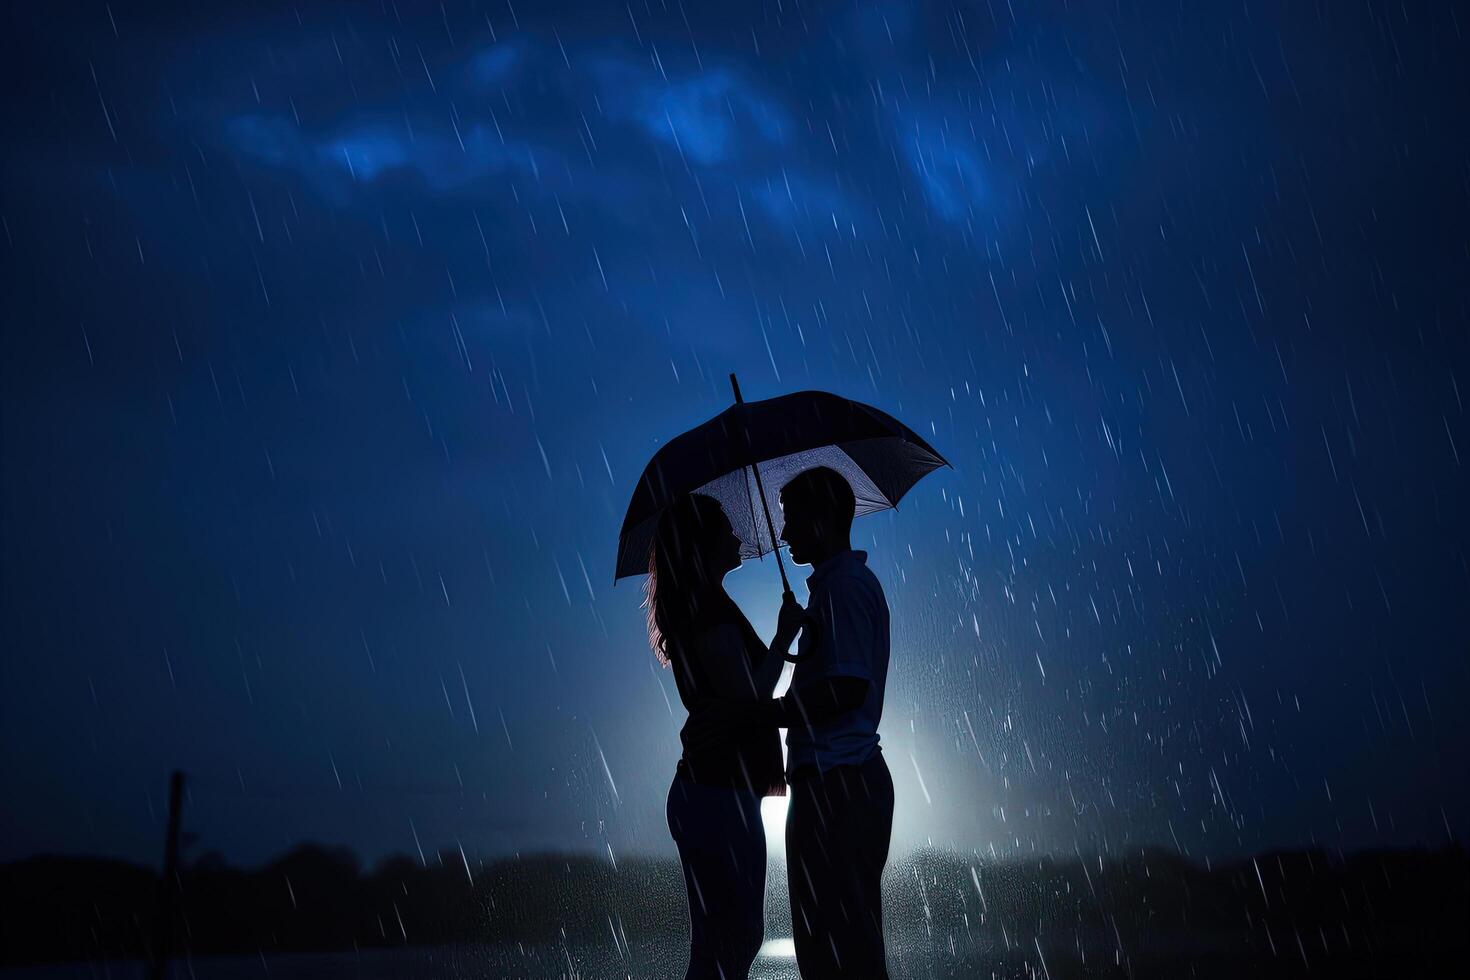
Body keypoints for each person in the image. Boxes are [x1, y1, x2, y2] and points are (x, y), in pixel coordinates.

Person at [685, 466, 895, 979]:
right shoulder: (833, 591)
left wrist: (757, 713)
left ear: (821, 522)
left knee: (837, 946)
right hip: (830, 784)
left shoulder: (844, 590)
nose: (783, 534)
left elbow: (844, 691)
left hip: (839, 785)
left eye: (791, 520)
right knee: (828, 942)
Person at [643, 492, 810, 980]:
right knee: (732, 938)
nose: (737, 536)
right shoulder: (709, 609)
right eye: (727, 529)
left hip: (716, 791)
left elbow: (740, 697)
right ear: (703, 544)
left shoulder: (705, 604)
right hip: (716, 793)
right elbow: (749, 700)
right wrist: (782, 639)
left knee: (727, 939)